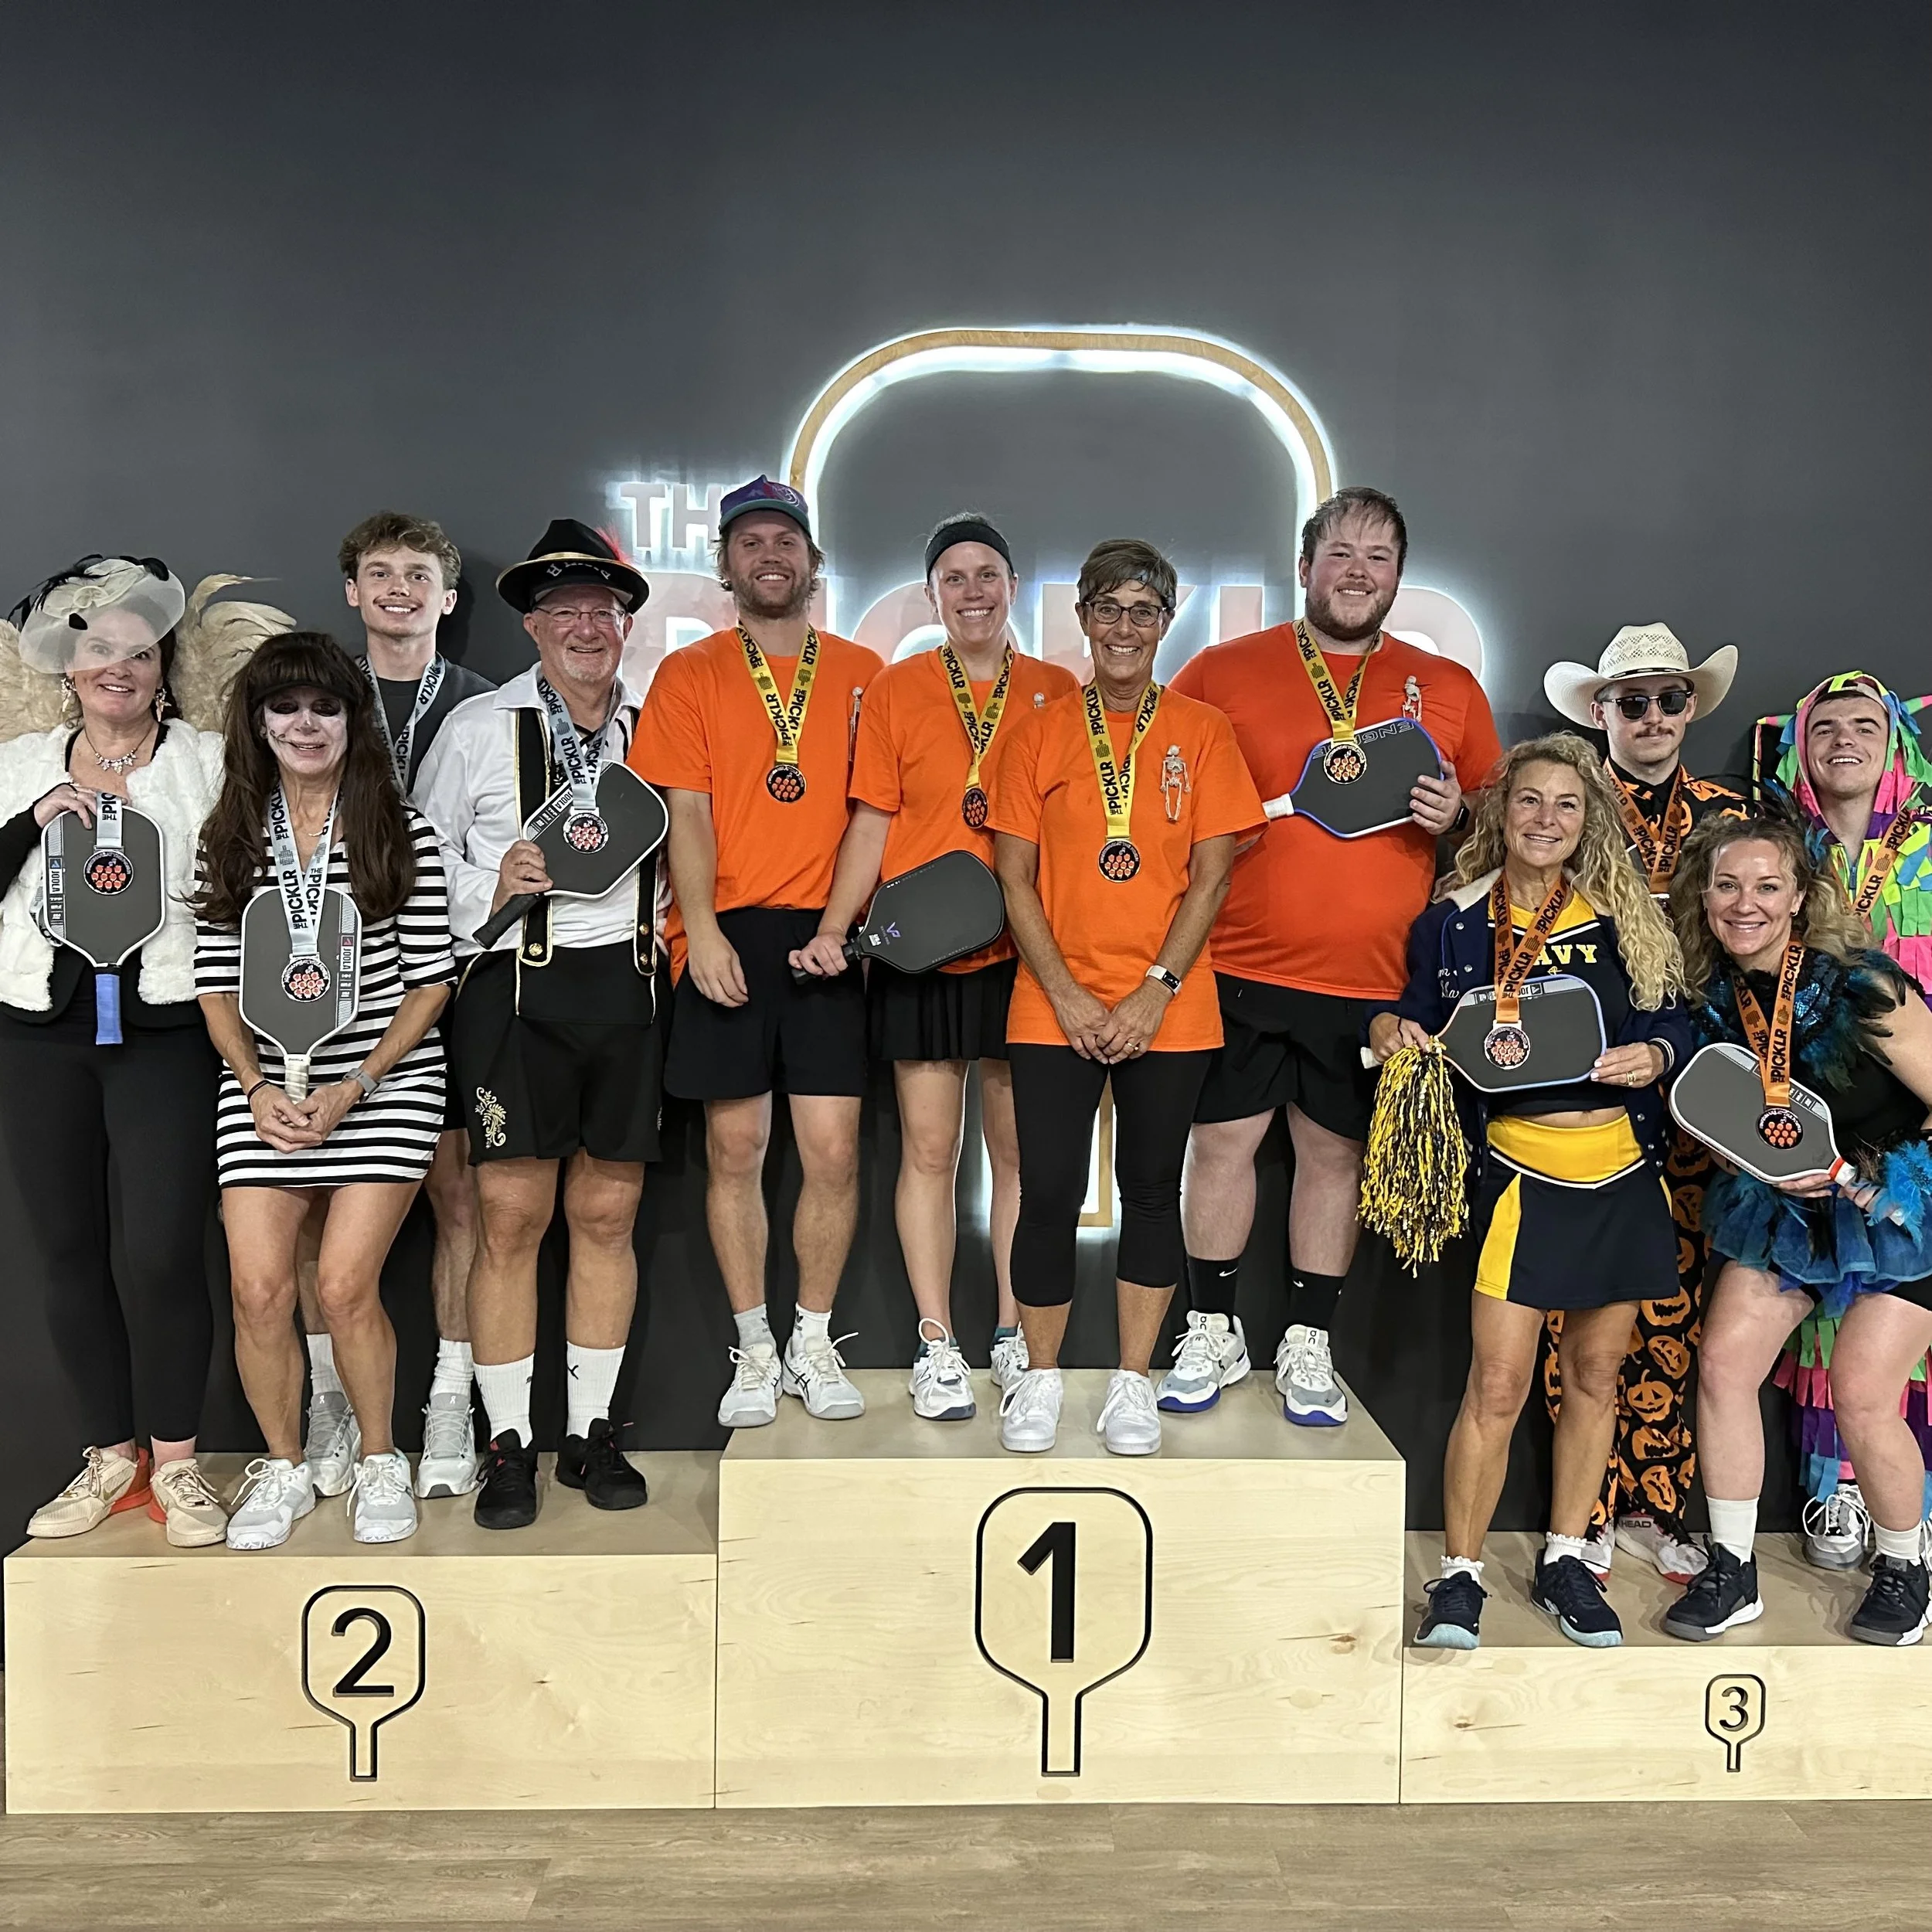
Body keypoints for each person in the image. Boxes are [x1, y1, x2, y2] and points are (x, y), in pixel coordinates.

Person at [1168, 488, 1501, 1424]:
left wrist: (1461, 819)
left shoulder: (1447, 687)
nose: (1358, 571)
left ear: (1399, 575)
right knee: (1221, 1145)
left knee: (1335, 1156)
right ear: (1304, 563)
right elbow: (1164, 802)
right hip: (1234, 962)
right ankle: (1212, 1328)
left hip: (1372, 979)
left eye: (1379, 557)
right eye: (1340, 552)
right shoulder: (1220, 670)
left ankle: (1307, 1344)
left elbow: (1501, 827)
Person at [1368, 734, 1689, 1650]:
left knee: (1594, 1377)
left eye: (1566, 805)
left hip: (1619, 1171)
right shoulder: (1455, 917)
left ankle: (1564, 1559)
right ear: (1499, 815)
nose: (1546, 820)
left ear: (1588, 820)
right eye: (1529, 803)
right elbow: (1416, 1012)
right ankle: (1460, 1575)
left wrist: (1658, 1051)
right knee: (1499, 1382)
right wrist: (1388, 1026)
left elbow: (1670, 1016)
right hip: (1516, 1171)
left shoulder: (1623, 916)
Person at [0, 557, 265, 1548]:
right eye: (99, 651)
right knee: (68, 1250)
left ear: (163, 669)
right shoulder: (22, 763)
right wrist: (31, 826)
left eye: (139, 652)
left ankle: (181, 1463)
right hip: (39, 1030)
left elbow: (244, 873)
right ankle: (109, 1456)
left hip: (164, 1029)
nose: (119, 667)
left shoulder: (203, 759)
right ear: (69, 668)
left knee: (160, 1252)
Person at [794, 513, 1076, 1419]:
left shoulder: (1058, 690)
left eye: (987, 573)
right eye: (953, 577)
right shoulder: (896, 688)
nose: (972, 591)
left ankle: (1011, 1333)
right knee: (928, 1150)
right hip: (920, 951)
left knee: (1019, 1154)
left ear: (1013, 585)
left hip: (1021, 948)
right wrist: (837, 928)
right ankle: (936, 1340)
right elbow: (870, 821)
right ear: (931, 594)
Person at [989, 539, 1264, 1456]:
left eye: (1143, 610)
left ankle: (1132, 1384)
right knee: (1049, 1192)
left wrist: (1153, 990)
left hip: (1170, 1003)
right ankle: (1035, 1382)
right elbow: (1014, 877)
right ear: (1079, 617)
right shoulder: (1033, 731)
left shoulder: (1203, 730)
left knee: (1151, 1192)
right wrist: (1067, 995)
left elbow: (1213, 873)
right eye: (1107, 607)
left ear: (1165, 622)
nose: (1123, 627)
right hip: (1051, 1001)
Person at [416, 519, 662, 1529]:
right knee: (509, 1222)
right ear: (530, 623)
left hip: (633, 989)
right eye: (565, 610)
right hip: (515, 985)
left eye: (603, 609)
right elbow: (420, 869)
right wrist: (493, 878)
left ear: (625, 624)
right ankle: (507, 1441)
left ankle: (591, 1434)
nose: (586, 626)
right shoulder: (478, 729)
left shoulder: (659, 727)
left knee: (606, 1218)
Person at [629, 476, 883, 1428]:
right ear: (725, 565)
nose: (769, 556)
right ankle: (753, 1348)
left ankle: (813, 1338)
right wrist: (700, 933)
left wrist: (837, 931)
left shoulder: (864, 671)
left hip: (828, 935)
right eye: (750, 543)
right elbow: (682, 812)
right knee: (734, 1147)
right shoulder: (691, 675)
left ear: (812, 562)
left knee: (833, 1153)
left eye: (786, 541)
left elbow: (874, 815)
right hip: (726, 930)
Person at [194, 632, 455, 1549]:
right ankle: (286, 1464)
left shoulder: (400, 828)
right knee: (260, 1287)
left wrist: (353, 1084)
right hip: (261, 1088)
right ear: (258, 722)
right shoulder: (230, 831)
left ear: (353, 722)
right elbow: (214, 982)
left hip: (382, 1086)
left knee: (344, 1285)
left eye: (326, 707)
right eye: (286, 708)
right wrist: (258, 1084)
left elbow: (431, 980)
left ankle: (382, 1458)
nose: (306, 725)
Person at [1659, 812, 1932, 1645]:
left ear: (1799, 900)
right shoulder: (1706, 999)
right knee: (1723, 1366)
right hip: (1783, 1207)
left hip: (1901, 1204)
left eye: (1767, 886)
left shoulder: (1864, 986)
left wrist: (1881, 1182)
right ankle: (1732, 1570)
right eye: (1728, 884)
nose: (1746, 903)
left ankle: (1904, 1569)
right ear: (1703, 896)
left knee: (1860, 1392)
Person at [292, 512, 497, 1505]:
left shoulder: (489, 707)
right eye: (380, 573)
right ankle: (331, 1400)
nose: (401, 590)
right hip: (314, 980)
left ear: (449, 599)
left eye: (420, 575)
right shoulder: (311, 696)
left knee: (460, 1194)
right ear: (352, 592)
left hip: (443, 975)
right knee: (305, 1196)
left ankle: (450, 1400)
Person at [1540, 624, 1747, 1583]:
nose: (1653, 717)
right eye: (1633, 701)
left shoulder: (1731, 814)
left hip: (1700, 1091)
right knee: (1573, 1307)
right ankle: (1578, 1512)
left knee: (1673, 1304)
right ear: (1599, 711)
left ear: (1691, 708)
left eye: (1670, 699)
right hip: (1585, 1084)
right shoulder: (1563, 808)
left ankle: (1656, 1508)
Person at [1758, 672, 1932, 1568]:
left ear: (1895, 742)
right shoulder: (1780, 853)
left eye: (1865, 726)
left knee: (1907, 1323)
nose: (1844, 741)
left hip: (1922, 1119)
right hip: (1822, 1117)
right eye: (1824, 728)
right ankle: (1837, 1491)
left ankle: (1913, 1500)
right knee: (1830, 1308)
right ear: (1801, 745)